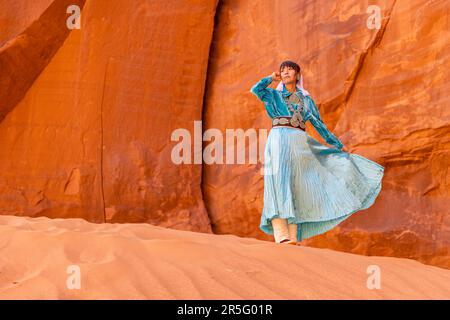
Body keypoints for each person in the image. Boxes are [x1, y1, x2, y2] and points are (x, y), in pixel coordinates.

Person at [250, 60, 384, 245]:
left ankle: (293, 236)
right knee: (278, 181)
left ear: (297, 75)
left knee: (300, 185)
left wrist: (337, 145)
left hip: (299, 141)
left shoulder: (306, 99)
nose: (286, 72)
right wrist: (269, 79)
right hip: (278, 139)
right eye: (283, 70)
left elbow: (319, 125)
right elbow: (256, 90)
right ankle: (281, 235)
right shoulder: (273, 94)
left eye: (290, 69)